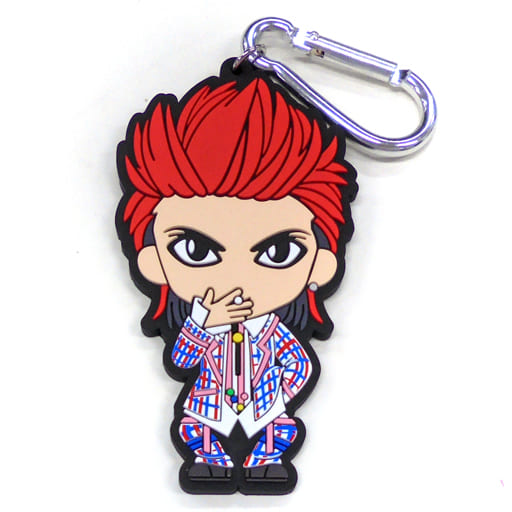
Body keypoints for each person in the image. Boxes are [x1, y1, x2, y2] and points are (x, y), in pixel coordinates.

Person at [116, 61, 357, 494]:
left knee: (278, 432)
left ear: (321, 264)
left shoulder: (275, 333)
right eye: (196, 250)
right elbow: (182, 360)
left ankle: (266, 462)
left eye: (278, 252)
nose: (237, 278)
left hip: (266, 407)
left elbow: (300, 365)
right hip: (208, 407)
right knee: (196, 430)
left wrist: (281, 389)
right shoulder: (202, 326)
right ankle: (212, 462)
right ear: (152, 260)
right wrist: (204, 322)